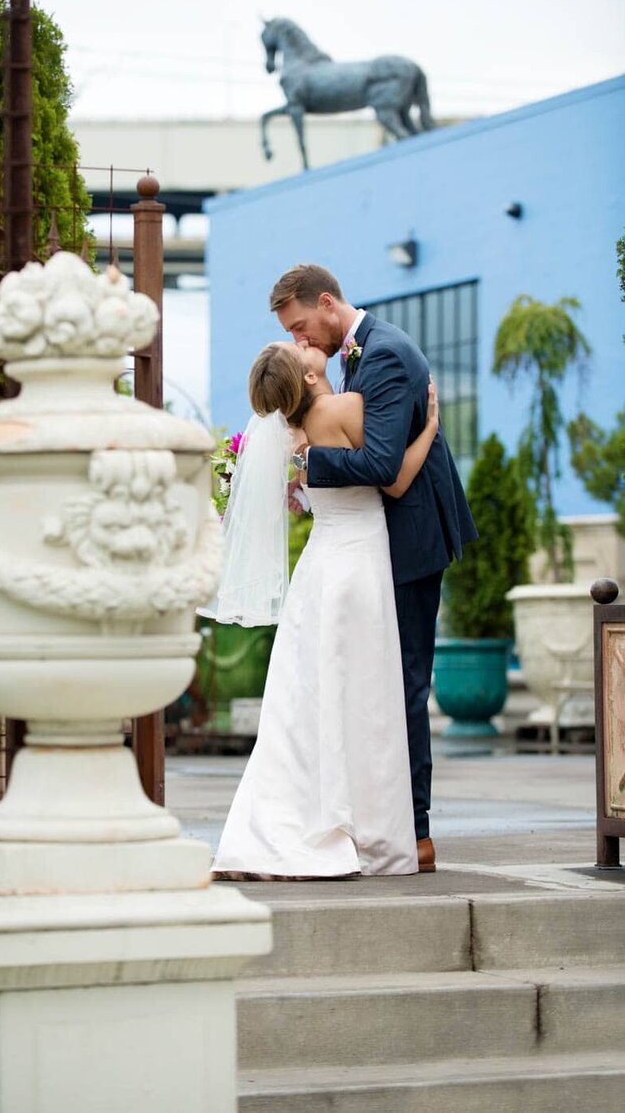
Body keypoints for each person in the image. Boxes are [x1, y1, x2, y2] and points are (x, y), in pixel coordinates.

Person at [271, 264, 478, 873]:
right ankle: (373, 817)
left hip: (410, 541)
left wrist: (307, 466)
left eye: (302, 328)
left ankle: (416, 832)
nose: (303, 342)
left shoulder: (384, 355)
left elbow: (384, 464)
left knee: (406, 684)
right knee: (371, 687)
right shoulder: (357, 356)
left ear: (328, 303)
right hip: (372, 541)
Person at [206, 341, 440, 879]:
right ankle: (361, 826)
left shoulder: (289, 434)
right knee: (361, 696)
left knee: (302, 703)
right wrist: (429, 428)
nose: (307, 346)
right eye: (299, 348)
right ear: (307, 378)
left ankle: (270, 830)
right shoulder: (345, 408)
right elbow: (395, 479)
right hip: (358, 564)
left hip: (317, 570)